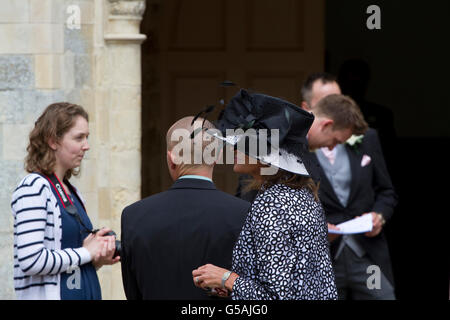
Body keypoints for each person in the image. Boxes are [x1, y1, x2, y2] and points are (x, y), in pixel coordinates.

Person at [192, 89, 337, 300]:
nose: (233, 147)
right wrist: (234, 288)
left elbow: (275, 296)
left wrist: (226, 278)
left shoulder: (272, 204)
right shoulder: (302, 195)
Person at [120, 116, 250, 300]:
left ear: (171, 157)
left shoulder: (133, 216)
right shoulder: (245, 214)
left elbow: (133, 292)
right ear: (217, 156)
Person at [11, 102, 119, 300]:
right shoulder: (34, 187)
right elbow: (30, 260)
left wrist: (97, 257)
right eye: (79, 138)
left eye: (87, 137)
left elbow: (70, 265)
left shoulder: (72, 191)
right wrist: (87, 252)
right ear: (53, 141)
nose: (86, 146)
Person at [309, 99, 398, 299]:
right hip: (324, 259)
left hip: (366, 256)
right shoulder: (299, 145)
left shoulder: (365, 139)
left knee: (382, 295)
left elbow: (386, 191)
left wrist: (379, 217)